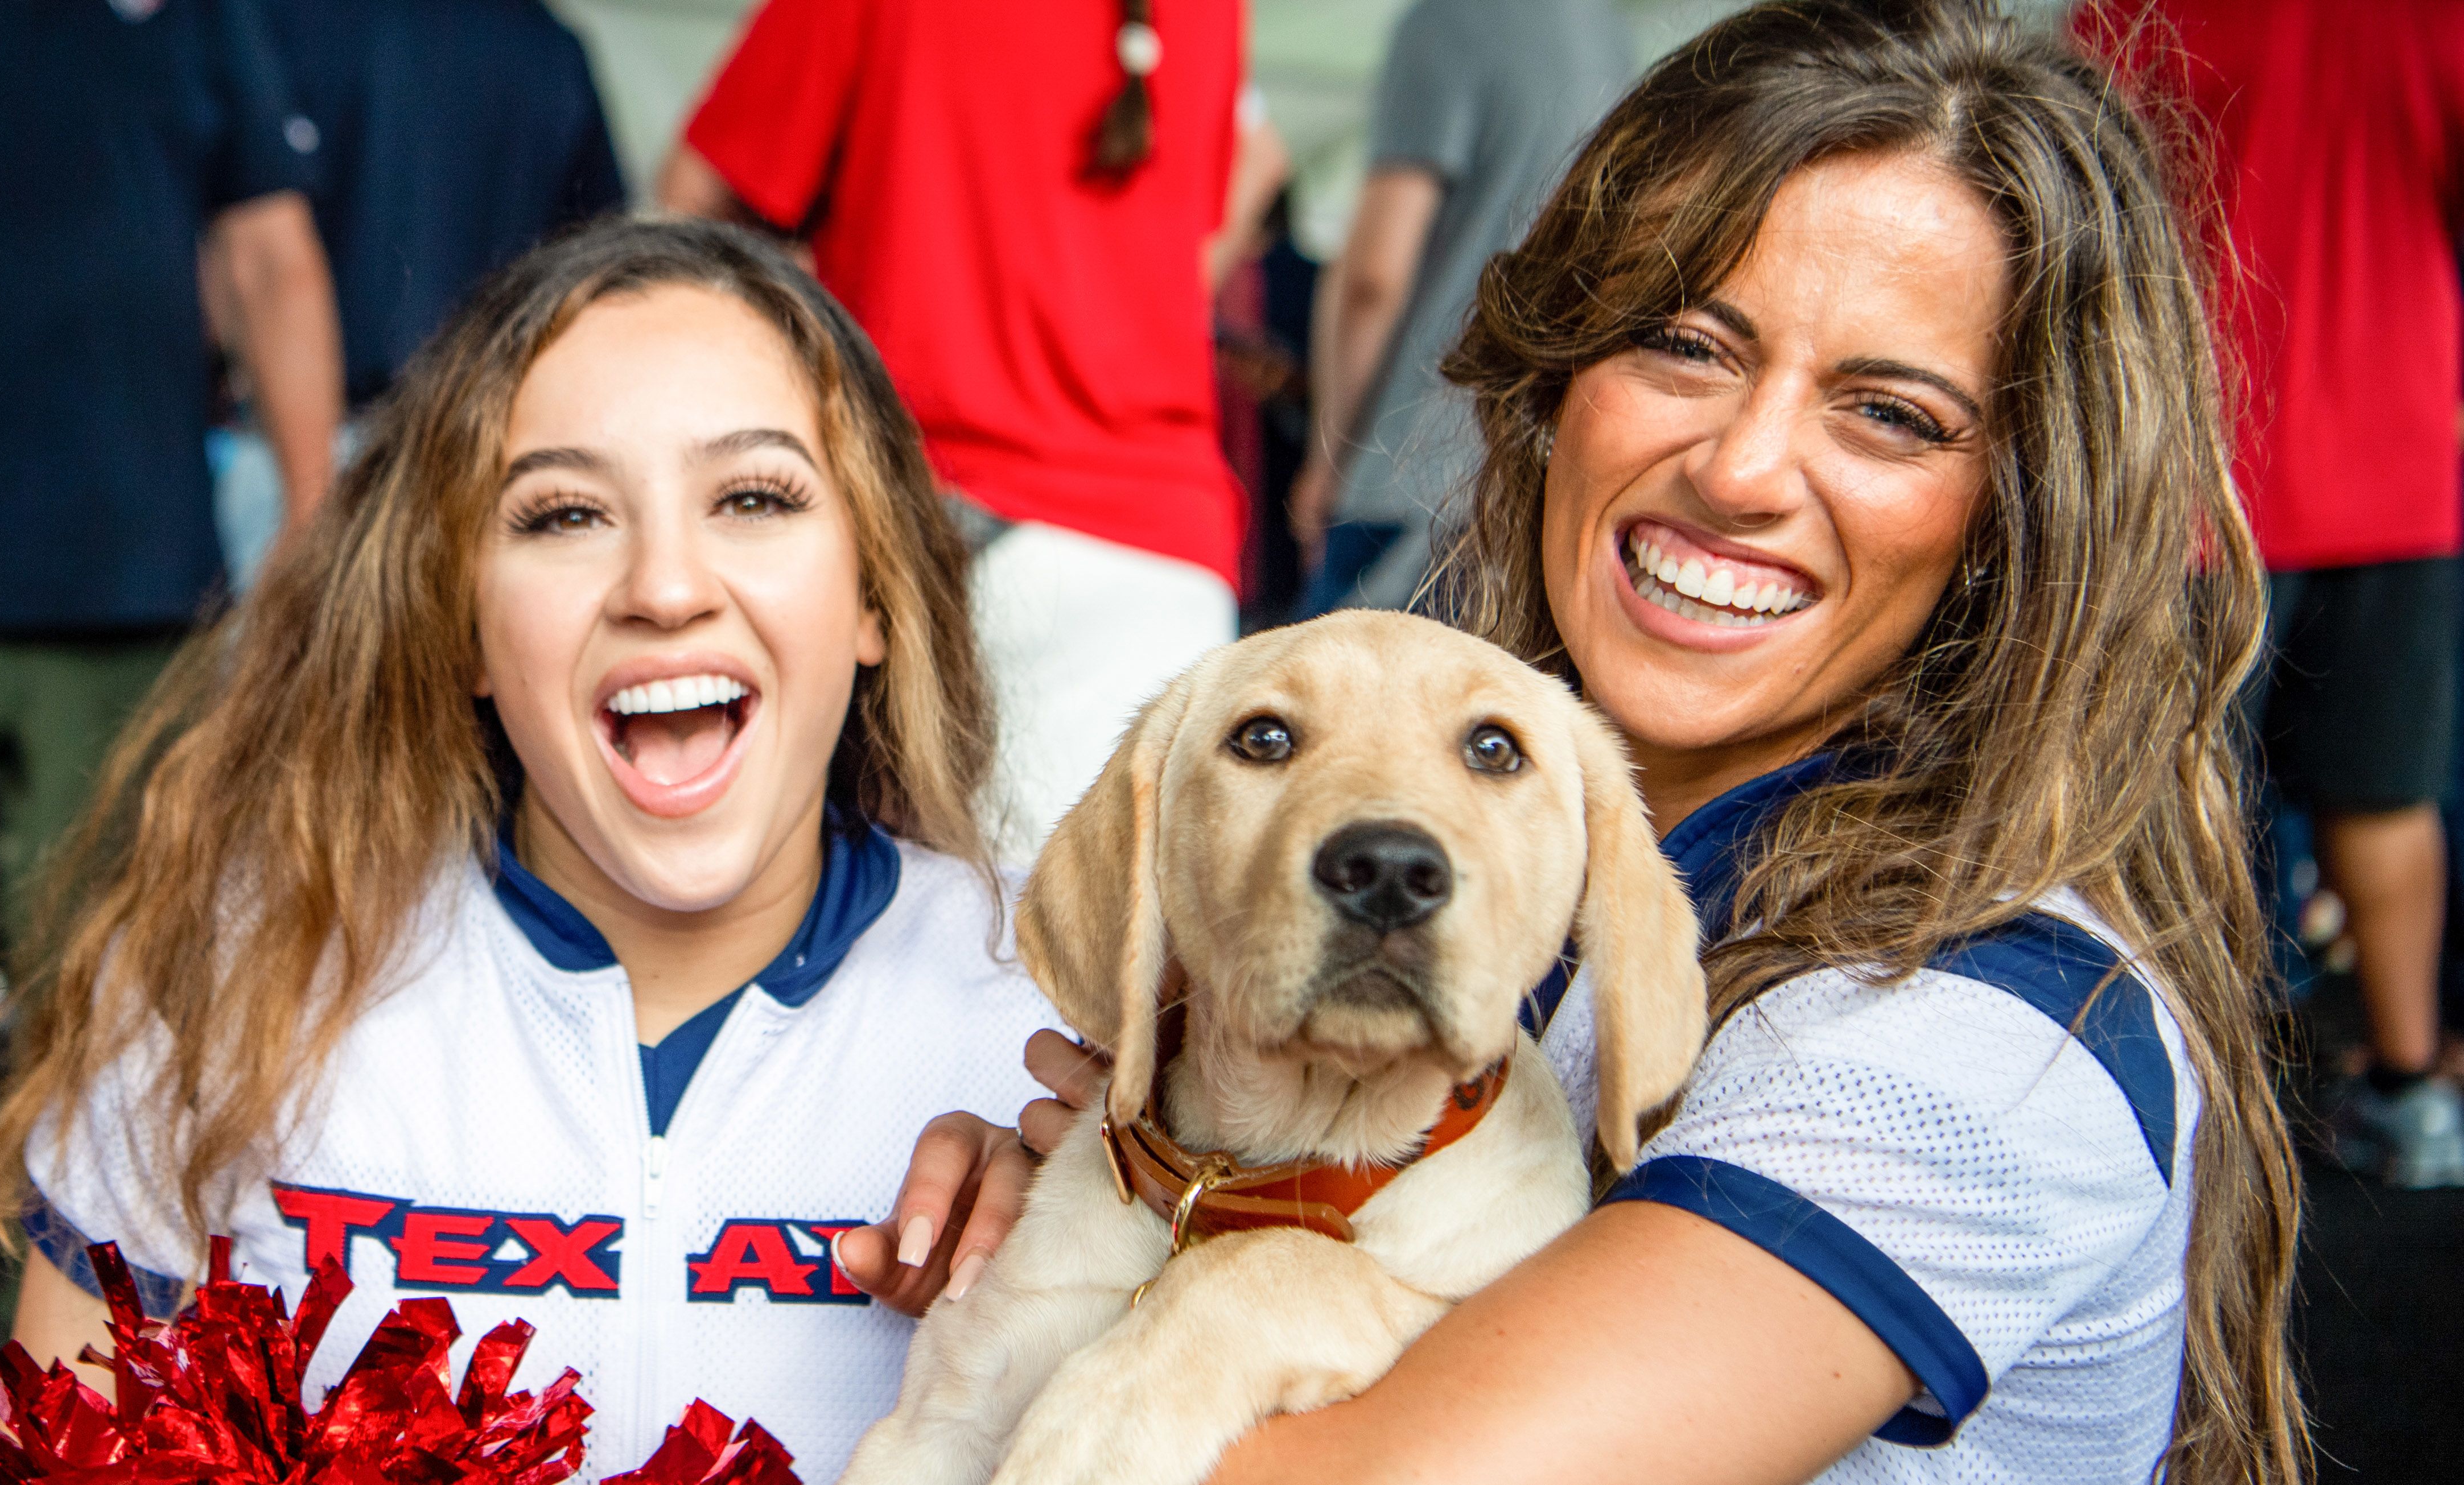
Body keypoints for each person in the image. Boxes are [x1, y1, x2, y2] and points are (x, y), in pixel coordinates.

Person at [835, 3, 2307, 1480]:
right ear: (1555, 388)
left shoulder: (1971, 1034)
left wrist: (1206, 1304)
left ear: (2013, 517)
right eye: (1683, 343)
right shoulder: (1549, 865)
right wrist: (1119, 1208)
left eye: (1887, 414)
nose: (1739, 469)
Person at [0, 220, 1055, 1482]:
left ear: (874, 598)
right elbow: (39, 1450)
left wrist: (1121, 1233)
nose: (664, 584)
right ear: (467, 628)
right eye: (564, 514)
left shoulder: (1064, 1025)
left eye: (753, 497)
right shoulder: (232, 976)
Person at [0, 0, 343, 1322]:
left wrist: (308, 522)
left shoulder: (191, 18)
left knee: (115, 997)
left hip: (132, 584)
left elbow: (270, 251)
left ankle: (84, 1369)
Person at [655, 0, 1262, 861]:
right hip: (1152, 552)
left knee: (860, 956)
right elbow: (1200, 233)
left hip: (922, 519)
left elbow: (691, 208)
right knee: (1093, 977)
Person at [2076, 0, 2464, 1189]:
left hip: (2202, 470)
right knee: (2382, 798)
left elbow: (2091, 199)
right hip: (2401, 463)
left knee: (2186, 808)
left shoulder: (2143, 7)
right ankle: (2409, 1102)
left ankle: (2201, 1120)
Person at [212, 0, 628, 584]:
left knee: (274, 672)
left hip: (303, 457)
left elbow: (242, 260)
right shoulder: (546, 44)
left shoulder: (262, 27)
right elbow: (598, 272)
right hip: (492, 453)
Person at [1289, 0, 1634, 617]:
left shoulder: (1447, 21)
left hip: (1405, 485)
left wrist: (1330, 453)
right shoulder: (1611, 36)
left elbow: (1373, 275)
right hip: (1529, 492)